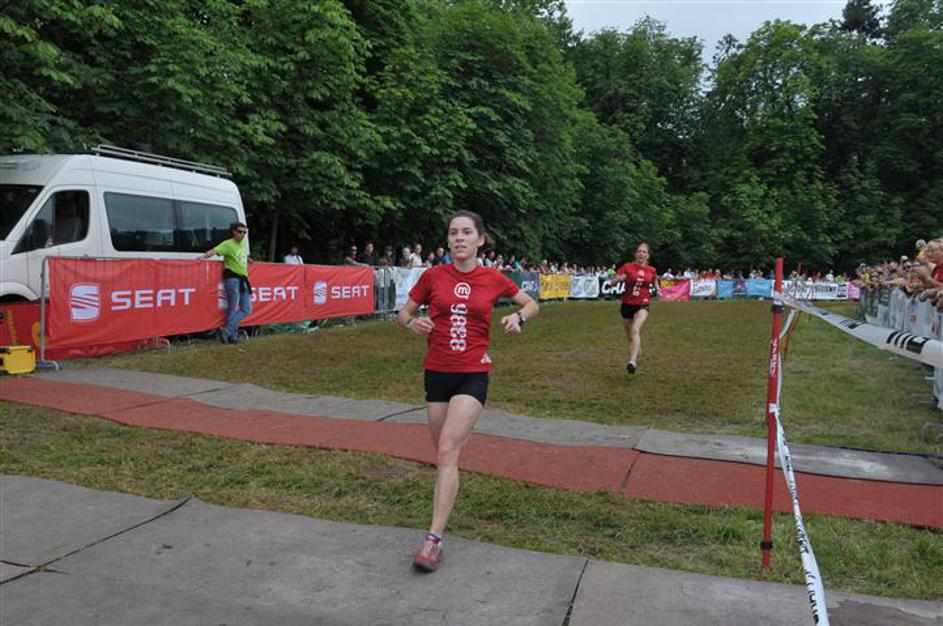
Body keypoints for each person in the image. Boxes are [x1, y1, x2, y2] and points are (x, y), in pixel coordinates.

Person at [397, 210, 539, 572]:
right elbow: (404, 313)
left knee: (447, 449)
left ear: (480, 239)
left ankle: (433, 540)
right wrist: (412, 323)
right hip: (436, 374)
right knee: (446, 455)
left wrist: (518, 317)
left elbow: (531, 303)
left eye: (465, 232)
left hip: (473, 373)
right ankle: (449, 487)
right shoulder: (433, 276)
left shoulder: (493, 278)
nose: (459, 238)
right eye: (453, 233)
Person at [200, 222, 253, 344]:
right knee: (233, 308)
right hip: (233, 279)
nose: (242, 234)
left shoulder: (243, 244)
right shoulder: (228, 244)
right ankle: (231, 336)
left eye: (244, 232)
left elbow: (241, 256)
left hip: (243, 279)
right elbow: (214, 251)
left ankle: (227, 331)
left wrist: (247, 259)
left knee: (246, 309)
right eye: (240, 231)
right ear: (234, 231)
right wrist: (201, 257)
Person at [612, 243, 657, 374]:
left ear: (647, 256)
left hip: (643, 304)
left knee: (635, 330)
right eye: (639, 251)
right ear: (636, 254)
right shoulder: (627, 267)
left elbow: (654, 281)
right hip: (627, 304)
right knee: (630, 336)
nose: (641, 253)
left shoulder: (652, 270)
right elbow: (613, 281)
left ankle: (632, 362)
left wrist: (658, 289)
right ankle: (637, 348)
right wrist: (617, 280)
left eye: (644, 252)